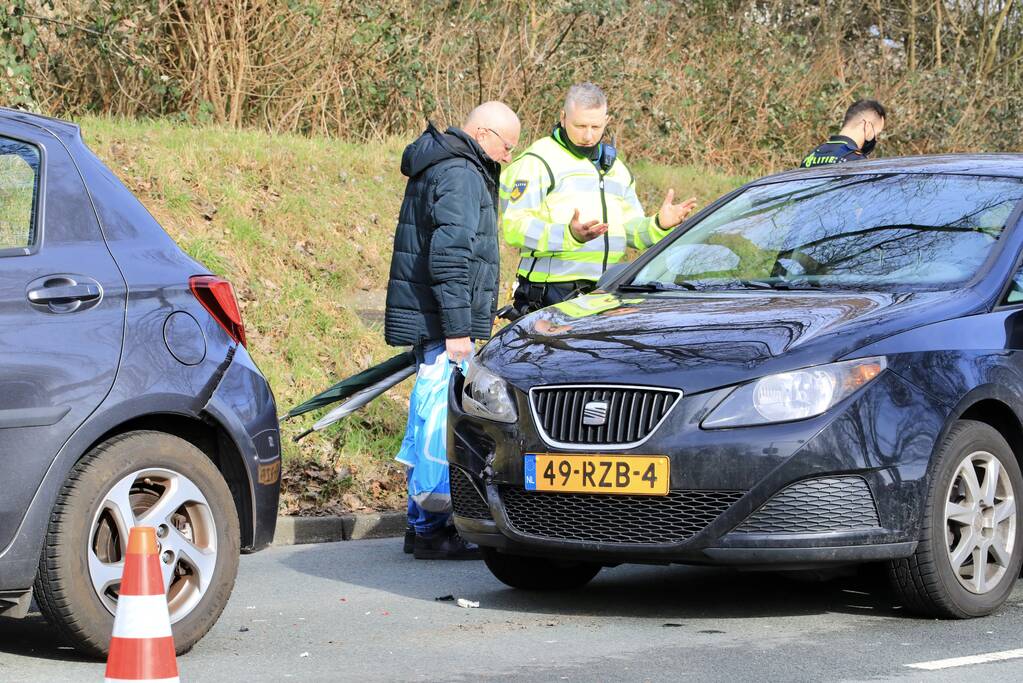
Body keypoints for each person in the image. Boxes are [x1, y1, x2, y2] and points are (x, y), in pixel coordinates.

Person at [384, 101, 520, 559]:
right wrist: (458, 330)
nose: (507, 157)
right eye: (506, 146)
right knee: (439, 424)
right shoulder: (461, 173)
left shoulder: (441, 163)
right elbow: (449, 257)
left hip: (434, 318)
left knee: (427, 418)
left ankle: (418, 525)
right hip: (446, 323)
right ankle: (431, 531)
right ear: (483, 133)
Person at [499, 82, 697, 318]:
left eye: (595, 126)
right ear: (563, 117)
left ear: (607, 121)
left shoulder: (616, 169)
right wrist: (569, 235)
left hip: (607, 293)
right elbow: (514, 228)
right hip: (549, 295)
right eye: (580, 125)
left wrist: (658, 224)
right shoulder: (538, 162)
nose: (588, 135)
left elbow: (631, 233)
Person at [800, 99, 887, 168]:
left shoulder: (811, 156)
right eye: (876, 134)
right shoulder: (856, 161)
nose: (875, 139)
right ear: (867, 126)